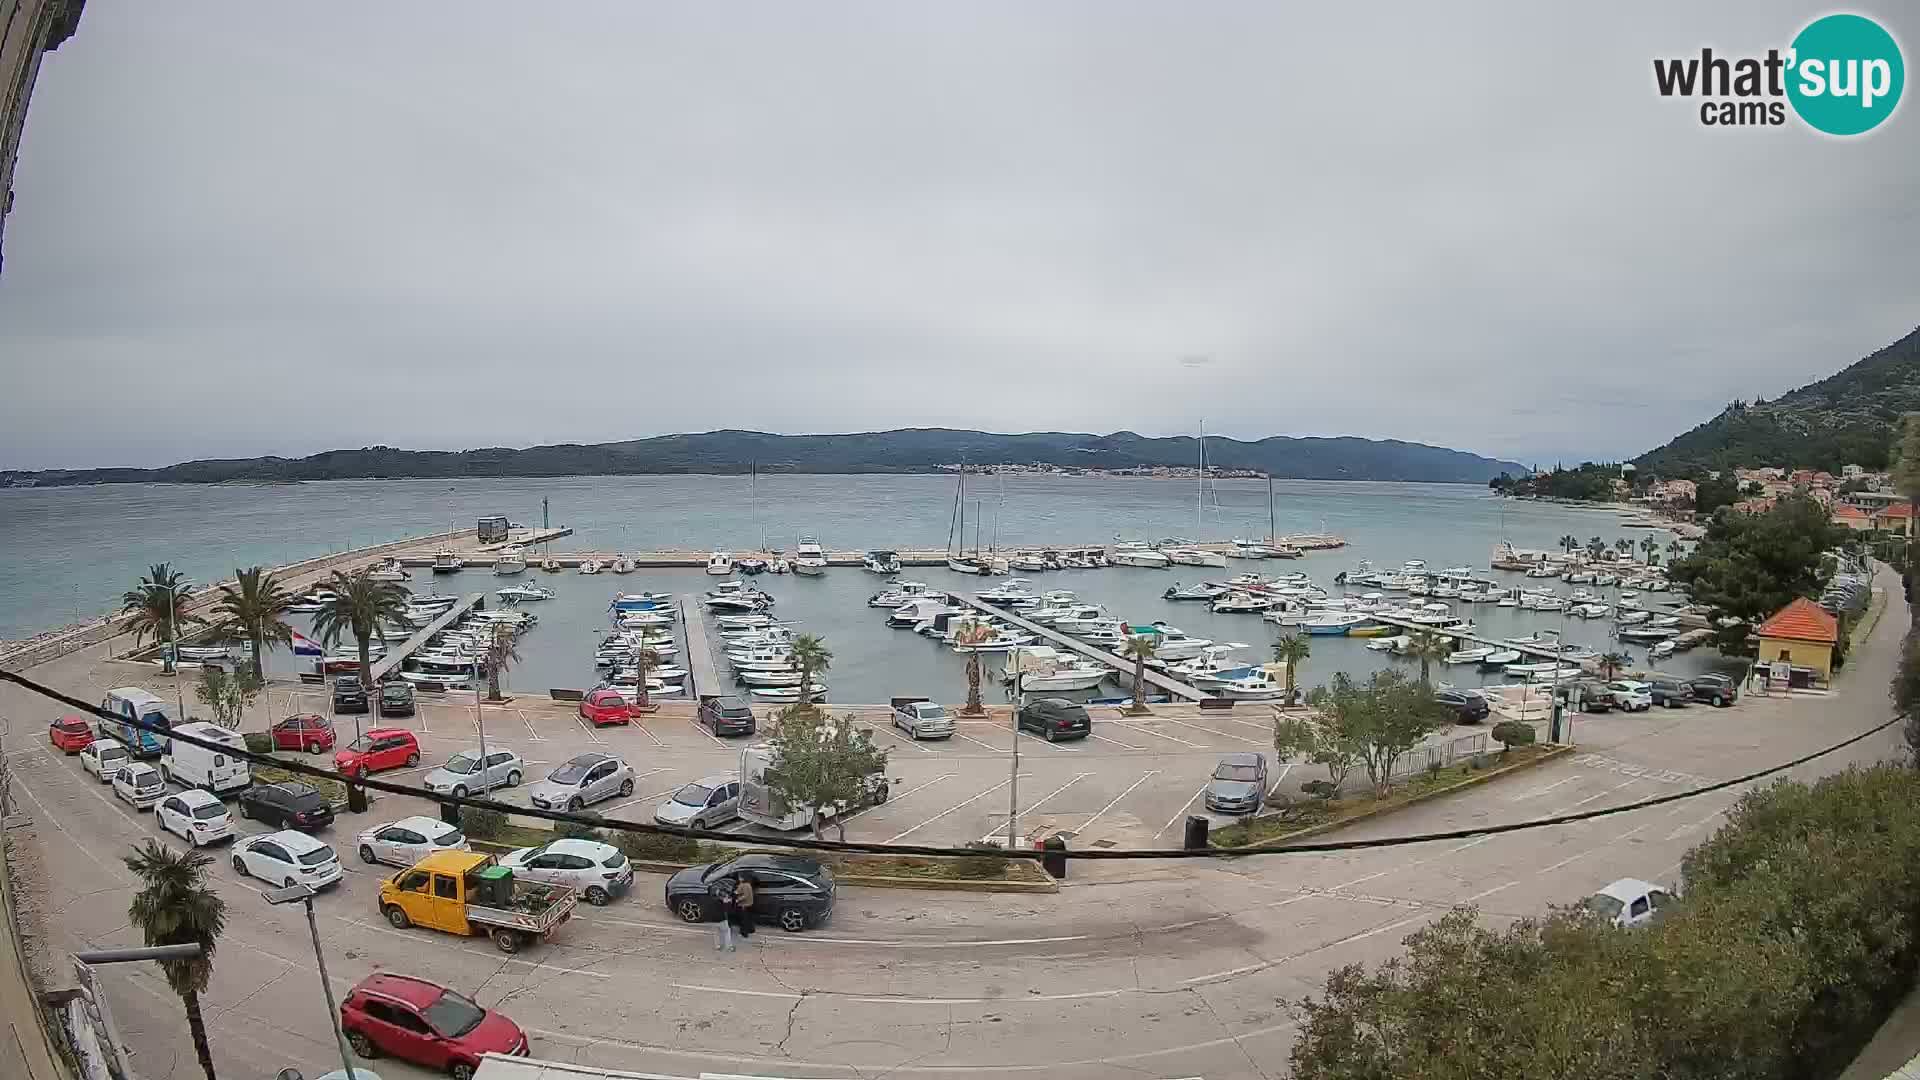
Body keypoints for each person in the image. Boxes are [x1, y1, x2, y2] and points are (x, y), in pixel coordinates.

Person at [711, 875, 736, 951]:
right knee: (727, 932)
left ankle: (717, 946)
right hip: (722, 918)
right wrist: (728, 901)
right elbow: (728, 909)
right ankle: (729, 946)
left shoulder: (711, 898)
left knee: (716, 933)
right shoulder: (723, 902)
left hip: (712, 918)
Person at [731, 874, 756, 946]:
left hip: (744, 905)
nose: (739, 879)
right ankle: (751, 930)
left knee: (743, 920)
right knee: (749, 918)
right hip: (750, 904)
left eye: (739, 877)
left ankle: (744, 933)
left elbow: (744, 895)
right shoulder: (748, 884)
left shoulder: (742, 885)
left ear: (742, 878)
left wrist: (737, 900)